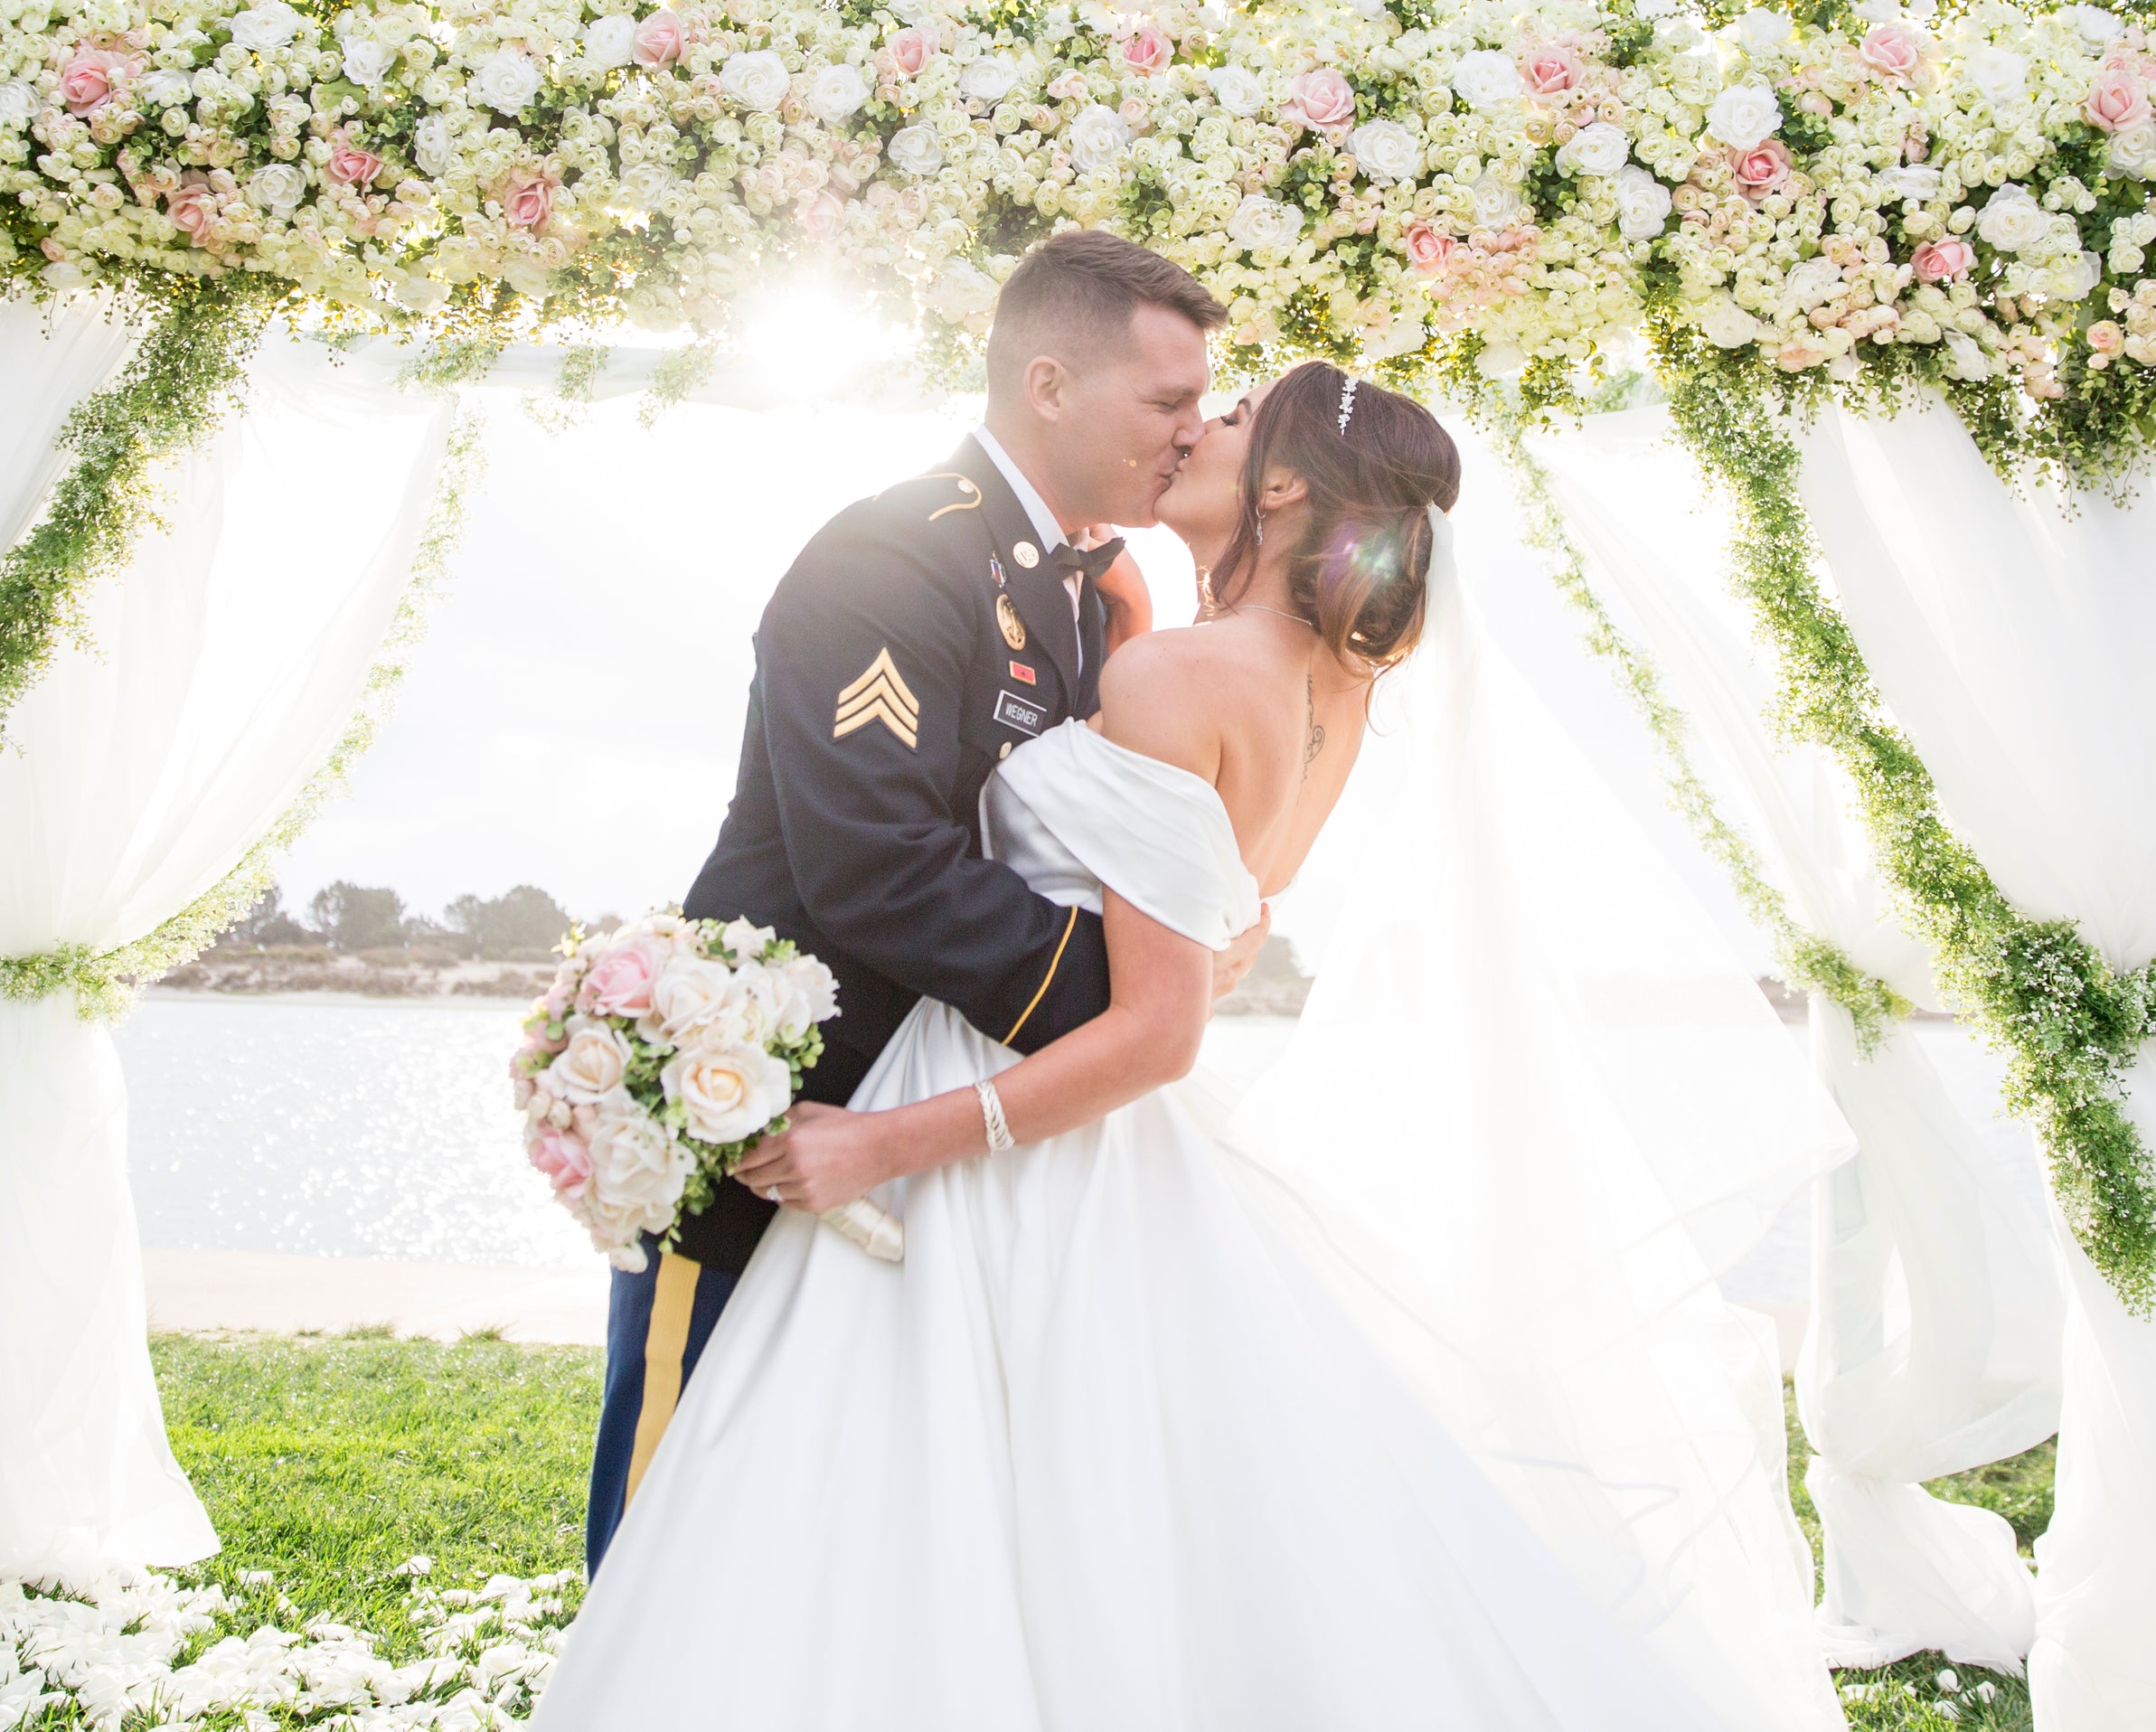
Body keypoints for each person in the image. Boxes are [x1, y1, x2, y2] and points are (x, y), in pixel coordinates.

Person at [537, 355, 1846, 1732]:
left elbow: (1160, 1029)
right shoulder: (1326, 694)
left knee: (912, 1493)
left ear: (1280, 486)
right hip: (1103, 1143)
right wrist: (1139, 614)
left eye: (1222, 418)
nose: (1190, 432)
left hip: (1002, 1130)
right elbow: (1216, 921)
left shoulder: (1175, 677)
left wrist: (875, 1141)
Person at [580, 231, 1270, 1566]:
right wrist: (1119, 1005)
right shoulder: (896, 554)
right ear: (1051, 383)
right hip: (773, 1104)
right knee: (678, 1506)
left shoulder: (1083, 594)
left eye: (1204, 405)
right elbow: (875, 855)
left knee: (850, 1524)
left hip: (926, 1125)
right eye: (1169, 402)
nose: (1191, 435)